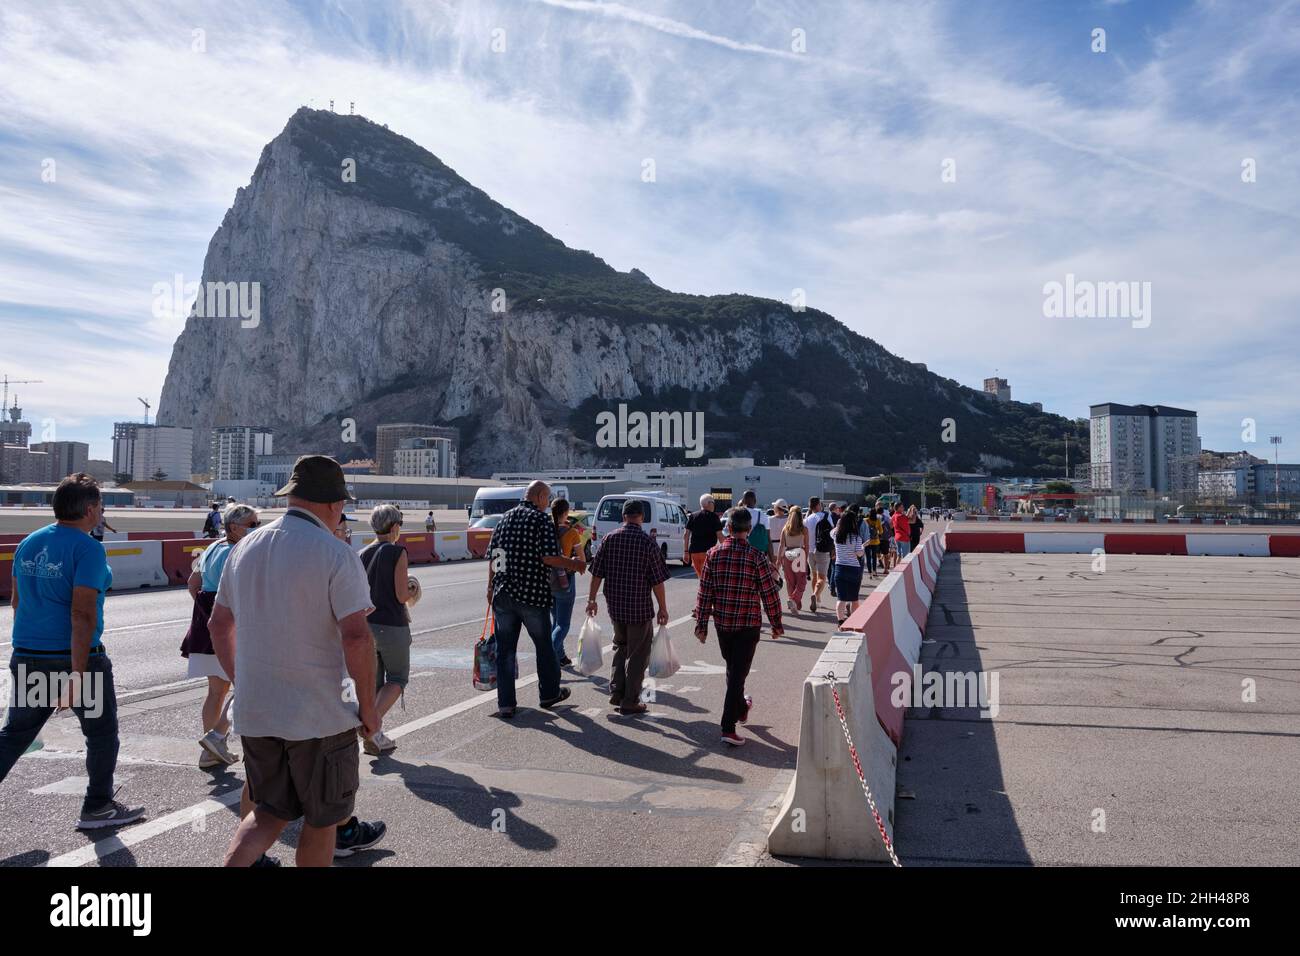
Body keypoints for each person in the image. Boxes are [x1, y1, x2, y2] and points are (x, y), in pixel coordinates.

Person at [208, 455, 387, 866]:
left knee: (266, 813)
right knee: (322, 821)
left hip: (257, 712)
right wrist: (369, 709)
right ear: (333, 504)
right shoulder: (336, 553)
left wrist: (243, 679)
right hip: (318, 717)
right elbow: (358, 637)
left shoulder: (244, 549)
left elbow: (219, 626)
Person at [0, 474, 144, 829]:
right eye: (101, 507)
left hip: (30, 652)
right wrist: (77, 674)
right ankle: (97, 807)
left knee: (15, 735)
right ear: (92, 509)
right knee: (101, 735)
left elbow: (18, 602)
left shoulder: (29, 543)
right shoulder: (88, 548)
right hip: (77, 659)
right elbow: (81, 613)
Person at [485, 480, 582, 718]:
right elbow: (549, 557)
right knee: (544, 646)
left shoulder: (505, 518)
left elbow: (496, 556)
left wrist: (490, 587)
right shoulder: (540, 520)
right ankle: (549, 694)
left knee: (505, 649)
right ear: (538, 497)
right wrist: (575, 564)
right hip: (532, 594)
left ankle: (506, 703)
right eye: (547, 499)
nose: (548, 504)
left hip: (503, 593)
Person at [694, 507, 784, 746]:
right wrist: (776, 623)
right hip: (748, 624)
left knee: (733, 671)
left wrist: (701, 624)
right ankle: (727, 727)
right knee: (736, 673)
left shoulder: (714, 554)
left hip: (723, 624)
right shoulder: (756, 556)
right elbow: (769, 593)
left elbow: (705, 593)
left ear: (729, 528)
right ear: (750, 530)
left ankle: (742, 707)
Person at [183, 503, 260, 769]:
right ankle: (218, 737)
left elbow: (193, 584)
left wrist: (207, 610)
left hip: (205, 629)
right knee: (249, 686)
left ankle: (211, 748)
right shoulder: (241, 552)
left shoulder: (212, 548)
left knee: (215, 692)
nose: (257, 528)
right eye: (253, 524)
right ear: (235, 527)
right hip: (232, 629)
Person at [586, 499, 671, 716]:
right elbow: (657, 581)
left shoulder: (609, 539)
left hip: (615, 606)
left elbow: (596, 573)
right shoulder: (647, 542)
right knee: (638, 654)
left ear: (623, 516)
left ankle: (616, 691)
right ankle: (630, 701)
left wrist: (591, 599)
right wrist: (662, 608)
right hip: (639, 608)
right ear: (641, 517)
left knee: (620, 646)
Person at [358, 504, 417, 756]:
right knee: (397, 679)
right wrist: (413, 589)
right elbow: (401, 594)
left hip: (366, 624)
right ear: (394, 527)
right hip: (392, 624)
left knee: (374, 682)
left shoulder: (362, 553)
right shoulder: (397, 552)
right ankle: (370, 727)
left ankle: (376, 736)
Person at [550, 498, 586, 667]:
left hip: (546, 580)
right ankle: (547, 656)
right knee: (563, 625)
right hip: (564, 580)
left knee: (555, 621)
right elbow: (582, 560)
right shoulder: (572, 533)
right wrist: (573, 559)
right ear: (566, 513)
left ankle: (560, 656)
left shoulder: (546, 528)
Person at [832, 505, 866, 626]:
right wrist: (862, 547)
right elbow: (859, 553)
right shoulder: (856, 537)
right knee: (854, 599)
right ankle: (853, 622)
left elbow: (833, 531)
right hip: (853, 569)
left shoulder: (836, 535)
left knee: (841, 599)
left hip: (839, 568)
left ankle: (840, 622)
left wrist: (840, 522)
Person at [683, 494, 724, 578]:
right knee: (710, 579)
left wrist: (686, 552)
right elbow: (720, 536)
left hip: (695, 552)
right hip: (709, 553)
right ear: (709, 503)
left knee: (701, 578)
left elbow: (686, 535)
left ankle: (702, 590)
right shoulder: (714, 517)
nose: (714, 505)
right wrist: (726, 550)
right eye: (713, 502)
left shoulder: (693, 516)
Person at [779, 505, 810, 612]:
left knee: (790, 581)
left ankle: (794, 603)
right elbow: (807, 545)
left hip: (788, 554)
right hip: (799, 554)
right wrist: (805, 560)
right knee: (801, 582)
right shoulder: (804, 529)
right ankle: (794, 599)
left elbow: (781, 546)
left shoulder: (785, 528)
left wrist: (779, 560)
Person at [804, 497, 832, 612]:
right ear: (818, 505)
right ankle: (815, 595)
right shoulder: (826, 516)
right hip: (823, 550)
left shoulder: (807, 519)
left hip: (810, 552)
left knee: (814, 576)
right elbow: (832, 531)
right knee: (822, 578)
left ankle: (818, 600)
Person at [864, 507, 882, 579]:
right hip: (875, 541)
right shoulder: (877, 521)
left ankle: (870, 573)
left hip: (867, 541)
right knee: (874, 557)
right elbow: (881, 531)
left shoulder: (865, 520)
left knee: (868, 557)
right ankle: (874, 571)